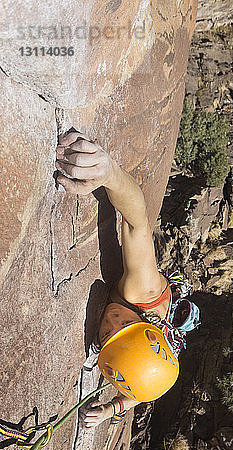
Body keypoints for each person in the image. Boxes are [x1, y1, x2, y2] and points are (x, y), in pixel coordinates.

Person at [55, 131, 200, 429]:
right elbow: (137, 223)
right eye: (124, 324)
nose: (110, 321)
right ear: (144, 324)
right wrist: (108, 173)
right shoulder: (142, 290)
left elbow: (146, 390)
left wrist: (109, 410)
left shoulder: (146, 365)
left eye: (108, 334)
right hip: (157, 306)